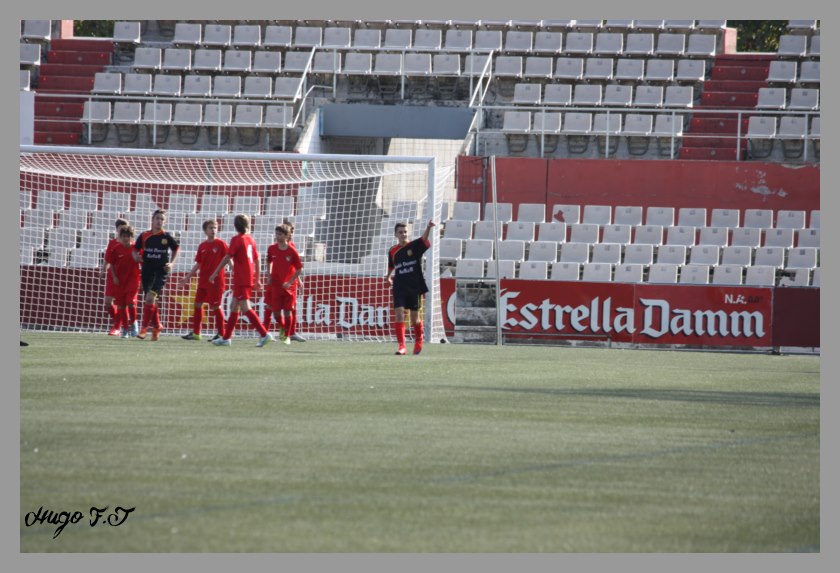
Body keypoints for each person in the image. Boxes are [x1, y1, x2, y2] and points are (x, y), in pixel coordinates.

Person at [209, 214, 273, 347]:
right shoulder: (250, 239)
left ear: (235, 226)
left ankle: (264, 334)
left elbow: (227, 257)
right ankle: (226, 338)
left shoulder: (237, 240)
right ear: (247, 225)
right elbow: (257, 259)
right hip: (247, 276)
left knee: (245, 307)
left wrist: (215, 273)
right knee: (234, 306)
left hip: (242, 278)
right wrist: (258, 278)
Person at [386, 220, 435, 355]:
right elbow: (391, 265)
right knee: (399, 314)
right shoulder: (392, 251)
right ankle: (402, 346)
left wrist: (428, 227)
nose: (403, 234)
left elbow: (424, 239)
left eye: (405, 232)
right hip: (399, 286)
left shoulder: (414, 246)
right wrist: (388, 277)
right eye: (400, 232)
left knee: (415, 319)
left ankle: (419, 340)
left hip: (414, 287)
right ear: (396, 234)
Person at [133, 209, 179, 341]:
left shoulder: (166, 236)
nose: (159, 221)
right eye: (157, 218)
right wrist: (136, 256)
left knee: (149, 298)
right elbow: (135, 249)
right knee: (151, 300)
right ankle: (157, 325)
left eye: (162, 219)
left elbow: (176, 249)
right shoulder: (144, 236)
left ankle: (144, 329)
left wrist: (171, 263)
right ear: (152, 220)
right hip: (147, 271)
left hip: (160, 272)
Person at [178, 219, 228, 342]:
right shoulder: (202, 246)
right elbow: (199, 264)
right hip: (203, 281)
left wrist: (233, 269)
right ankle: (196, 333)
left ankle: (222, 334)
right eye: (211, 228)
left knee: (216, 306)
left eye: (215, 227)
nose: (213, 230)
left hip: (216, 281)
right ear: (205, 230)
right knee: (197, 304)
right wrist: (187, 277)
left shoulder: (221, 244)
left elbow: (228, 258)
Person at [266, 223, 303, 345]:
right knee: (276, 312)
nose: (277, 236)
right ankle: (284, 328)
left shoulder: (292, 250)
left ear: (287, 236)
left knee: (288, 311)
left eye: (280, 234)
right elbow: (269, 261)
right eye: (276, 233)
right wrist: (269, 275)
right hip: (276, 286)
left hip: (289, 287)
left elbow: (299, 269)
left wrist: (292, 282)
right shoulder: (272, 248)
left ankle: (287, 336)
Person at [104, 225, 141, 339]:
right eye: (124, 236)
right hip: (120, 280)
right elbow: (112, 264)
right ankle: (125, 328)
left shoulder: (136, 248)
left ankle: (134, 324)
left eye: (128, 236)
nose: (126, 238)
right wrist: (114, 277)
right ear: (120, 237)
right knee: (121, 306)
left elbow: (143, 262)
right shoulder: (116, 249)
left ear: (132, 237)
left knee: (131, 302)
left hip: (133, 279)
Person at [102, 218, 132, 336]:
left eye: (124, 229)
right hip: (112, 275)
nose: (122, 232)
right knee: (108, 302)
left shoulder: (131, 243)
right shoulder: (112, 243)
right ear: (117, 230)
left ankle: (117, 327)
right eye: (120, 229)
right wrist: (103, 268)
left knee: (122, 303)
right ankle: (118, 322)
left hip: (125, 277)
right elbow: (108, 258)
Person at [283, 218, 306, 342]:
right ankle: (280, 332)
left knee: (292, 308)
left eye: (292, 230)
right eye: (289, 230)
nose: (291, 233)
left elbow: (295, 266)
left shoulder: (292, 245)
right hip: (281, 282)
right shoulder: (276, 247)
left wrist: (299, 280)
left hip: (291, 282)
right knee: (274, 310)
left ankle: (291, 332)